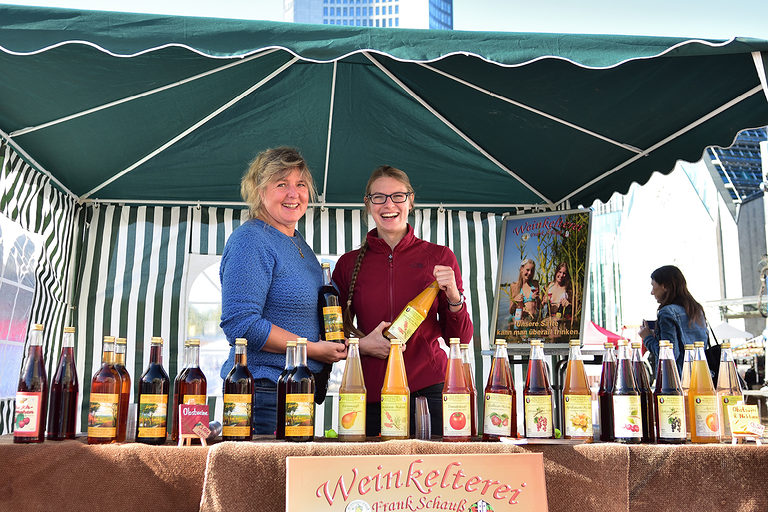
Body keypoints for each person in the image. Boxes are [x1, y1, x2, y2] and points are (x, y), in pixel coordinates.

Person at [332, 165, 474, 437]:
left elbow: (461, 338)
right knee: (376, 477)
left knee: (434, 476)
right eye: (379, 197)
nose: (389, 205)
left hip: (429, 390)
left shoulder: (441, 256)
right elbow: (331, 334)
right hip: (370, 393)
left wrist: (454, 297)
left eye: (398, 196)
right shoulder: (348, 265)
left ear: (410, 200)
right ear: (368, 203)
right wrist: (362, 345)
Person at [219, 147, 346, 435]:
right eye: (281, 184)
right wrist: (312, 350)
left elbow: (314, 319)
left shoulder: (297, 242)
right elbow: (241, 323)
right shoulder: (251, 239)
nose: (294, 193)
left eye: (300, 184)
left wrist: (357, 344)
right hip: (263, 391)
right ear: (259, 191)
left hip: (295, 391)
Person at [638, 265, 707, 373]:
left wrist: (647, 338)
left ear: (664, 286)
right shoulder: (696, 309)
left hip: (677, 381)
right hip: (700, 377)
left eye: (653, 286)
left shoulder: (667, 313)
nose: (652, 292)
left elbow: (669, 355)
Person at [508, 259, 540, 324]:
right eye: (527, 270)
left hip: (534, 320)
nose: (530, 273)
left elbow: (539, 307)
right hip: (522, 321)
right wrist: (515, 301)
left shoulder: (535, 284)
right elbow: (511, 311)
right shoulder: (514, 286)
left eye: (532, 270)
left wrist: (537, 299)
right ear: (522, 269)